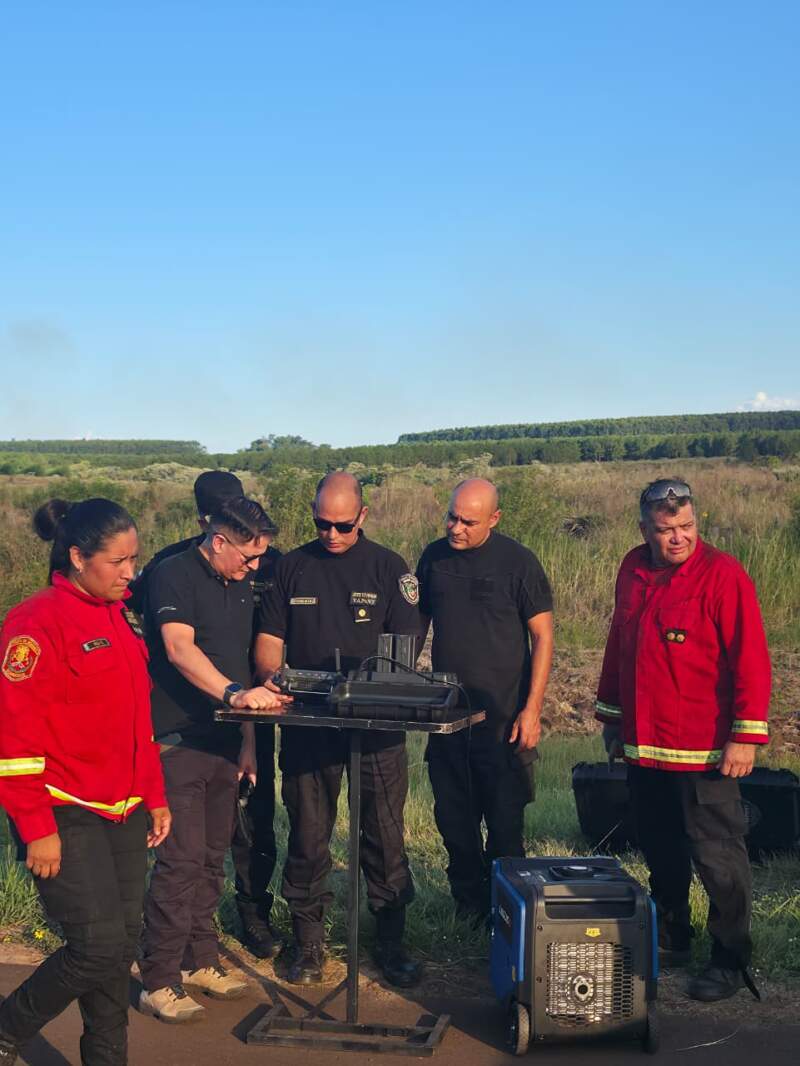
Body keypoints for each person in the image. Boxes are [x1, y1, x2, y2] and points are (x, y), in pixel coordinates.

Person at [0, 498, 170, 1066]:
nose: (130, 573)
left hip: (122, 810)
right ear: (77, 556)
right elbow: (15, 739)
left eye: (134, 560)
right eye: (118, 561)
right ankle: (7, 1027)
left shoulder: (116, 618)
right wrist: (35, 827)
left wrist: (155, 795)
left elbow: (136, 720)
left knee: (117, 947)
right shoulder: (33, 623)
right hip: (61, 809)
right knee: (95, 946)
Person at [596, 477, 771, 1002]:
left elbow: (752, 660)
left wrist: (746, 735)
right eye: (667, 529)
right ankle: (673, 934)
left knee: (717, 856)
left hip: (706, 749)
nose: (679, 538)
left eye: (688, 527)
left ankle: (729, 957)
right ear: (645, 529)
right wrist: (612, 718)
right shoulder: (632, 567)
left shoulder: (723, 575)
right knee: (658, 844)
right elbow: (619, 642)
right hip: (645, 744)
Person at [254, 472, 422, 988]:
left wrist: (369, 687)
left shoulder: (390, 568)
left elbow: (406, 654)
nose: (331, 534)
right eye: (321, 523)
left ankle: (389, 944)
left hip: (375, 725)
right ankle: (308, 946)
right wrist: (273, 679)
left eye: (343, 525)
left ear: (363, 516)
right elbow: (267, 643)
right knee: (307, 836)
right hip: (309, 723)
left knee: (385, 836)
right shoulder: (292, 567)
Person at [138, 496, 289, 1023]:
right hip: (178, 739)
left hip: (226, 740)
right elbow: (179, 649)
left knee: (210, 858)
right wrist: (231, 695)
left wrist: (247, 737)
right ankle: (157, 978)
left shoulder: (241, 581)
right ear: (218, 540)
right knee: (178, 862)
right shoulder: (172, 574)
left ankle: (198, 960)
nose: (253, 568)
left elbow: (242, 664)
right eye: (247, 557)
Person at [416, 478, 554, 924]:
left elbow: (543, 635)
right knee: (454, 823)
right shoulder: (433, 559)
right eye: (451, 517)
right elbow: (415, 627)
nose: (456, 528)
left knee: (505, 827)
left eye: (468, 522)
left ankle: (509, 916)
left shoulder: (518, 563)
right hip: (449, 719)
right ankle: (468, 907)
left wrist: (532, 710)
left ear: (494, 519)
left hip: (504, 719)